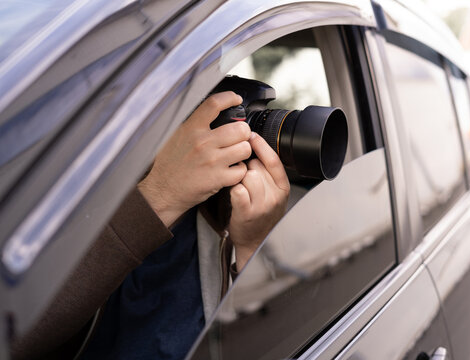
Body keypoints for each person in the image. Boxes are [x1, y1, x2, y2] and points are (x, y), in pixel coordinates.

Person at [10, 91, 290, 359]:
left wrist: (252, 246)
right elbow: (13, 337)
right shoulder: (39, 194)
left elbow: (270, 341)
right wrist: (161, 196)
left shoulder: (223, 203)